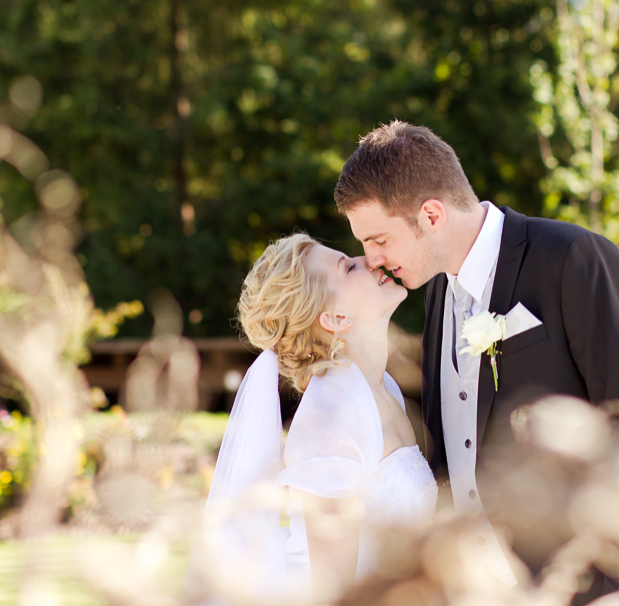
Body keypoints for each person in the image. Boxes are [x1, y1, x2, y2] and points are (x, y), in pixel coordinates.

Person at [334, 120, 619, 603]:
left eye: (378, 239)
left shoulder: (573, 258)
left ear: (432, 216)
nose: (371, 259)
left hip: (595, 583)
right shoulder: (437, 290)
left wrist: (593, 570)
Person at [183, 233, 437, 605]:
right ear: (335, 318)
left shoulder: (383, 389)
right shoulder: (330, 419)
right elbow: (333, 591)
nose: (367, 260)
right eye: (348, 267)